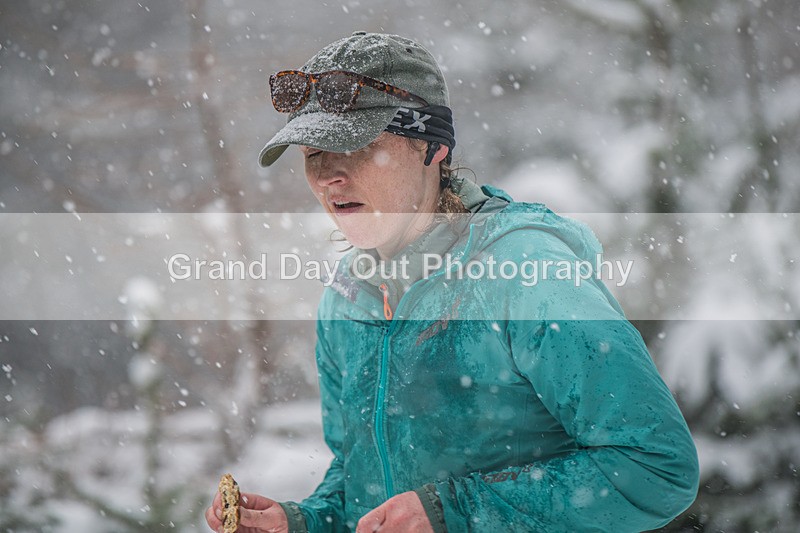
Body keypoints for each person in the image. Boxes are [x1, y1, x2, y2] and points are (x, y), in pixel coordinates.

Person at [206, 32, 699, 533]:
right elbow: (364, 482)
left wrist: (457, 513)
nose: (330, 175)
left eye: (357, 145)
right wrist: (304, 522)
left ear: (433, 146)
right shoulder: (348, 300)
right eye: (312, 155)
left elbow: (656, 468)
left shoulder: (526, 274)